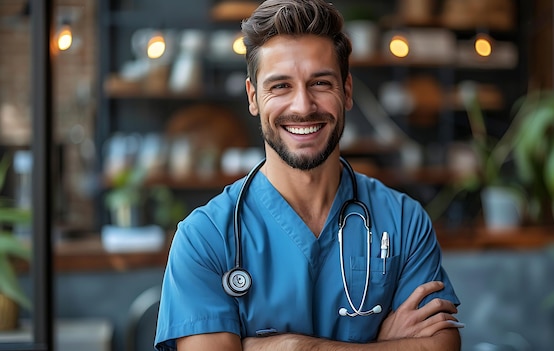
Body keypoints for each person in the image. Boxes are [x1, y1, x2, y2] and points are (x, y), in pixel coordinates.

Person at [154, 0, 463, 350]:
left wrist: (293, 347)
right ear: (253, 97)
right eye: (280, 86)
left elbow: (440, 347)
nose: (303, 107)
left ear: (346, 91)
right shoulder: (205, 237)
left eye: (319, 83)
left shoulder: (404, 222)